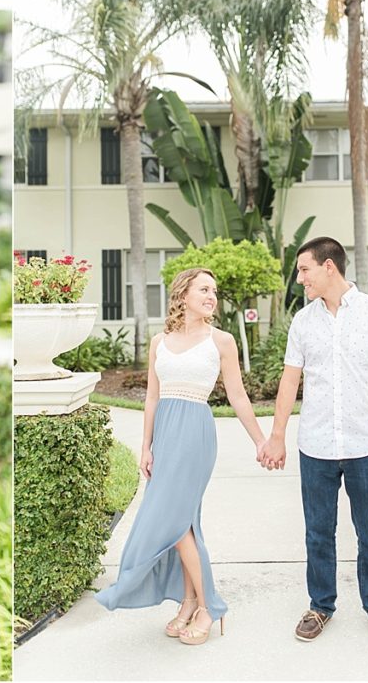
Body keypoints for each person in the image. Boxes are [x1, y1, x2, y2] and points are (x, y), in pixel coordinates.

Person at [94, 267, 268, 645]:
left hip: (195, 432)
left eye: (214, 291)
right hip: (165, 433)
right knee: (184, 524)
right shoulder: (160, 341)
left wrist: (260, 440)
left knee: (176, 524)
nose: (212, 296)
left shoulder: (221, 341)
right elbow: (152, 397)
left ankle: (208, 606)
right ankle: (189, 602)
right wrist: (145, 445)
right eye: (204, 289)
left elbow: (237, 396)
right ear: (183, 293)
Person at [259, 236, 368, 646]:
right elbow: (291, 380)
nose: (299, 278)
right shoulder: (302, 322)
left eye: (304, 269)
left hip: (366, 445)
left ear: (329, 267)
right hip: (317, 446)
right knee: (318, 533)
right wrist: (277, 436)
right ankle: (320, 605)